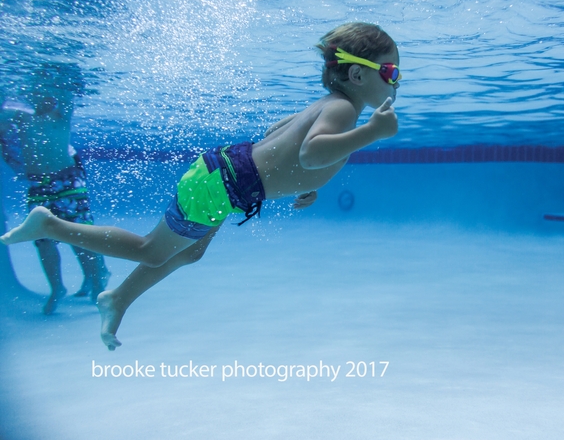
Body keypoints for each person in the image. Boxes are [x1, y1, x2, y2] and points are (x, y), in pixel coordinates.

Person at [0, 22, 401, 349]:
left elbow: (280, 137)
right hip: (222, 186)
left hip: (225, 178)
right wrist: (372, 132)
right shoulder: (347, 112)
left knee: (189, 254)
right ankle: (51, 226)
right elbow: (313, 154)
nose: (396, 82)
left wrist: (303, 183)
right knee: (150, 250)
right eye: (391, 72)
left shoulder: (328, 104)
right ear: (357, 73)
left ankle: (117, 298)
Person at [0, 63, 110, 315]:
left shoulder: (60, 117)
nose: (44, 98)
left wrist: (57, 78)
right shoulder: (22, 118)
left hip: (67, 182)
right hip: (38, 186)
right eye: (37, 93)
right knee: (43, 240)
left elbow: (66, 93)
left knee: (80, 236)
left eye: (48, 93)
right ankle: (57, 287)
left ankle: (97, 280)